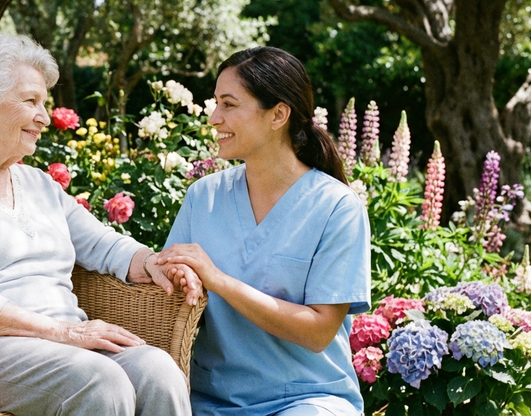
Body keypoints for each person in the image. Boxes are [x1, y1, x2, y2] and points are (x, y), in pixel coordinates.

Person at [0, 30, 200, 416]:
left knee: (158, 370)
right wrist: (62, 332)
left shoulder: (37, 183)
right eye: (30, 101)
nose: (44, 116)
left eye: (44, 103)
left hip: (64, 344)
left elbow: (101, 243)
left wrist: (152, 262)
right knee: (99, 380)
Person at [157, 46, 371, 415]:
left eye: (229, 104)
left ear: (278, 115)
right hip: (210, 402)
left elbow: (318, 332)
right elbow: (165, 289)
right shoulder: (203, 197)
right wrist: (175, 275)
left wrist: (218, 280)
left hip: (307, 400)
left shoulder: (337, 207)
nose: (214, 118)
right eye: (216, 104)